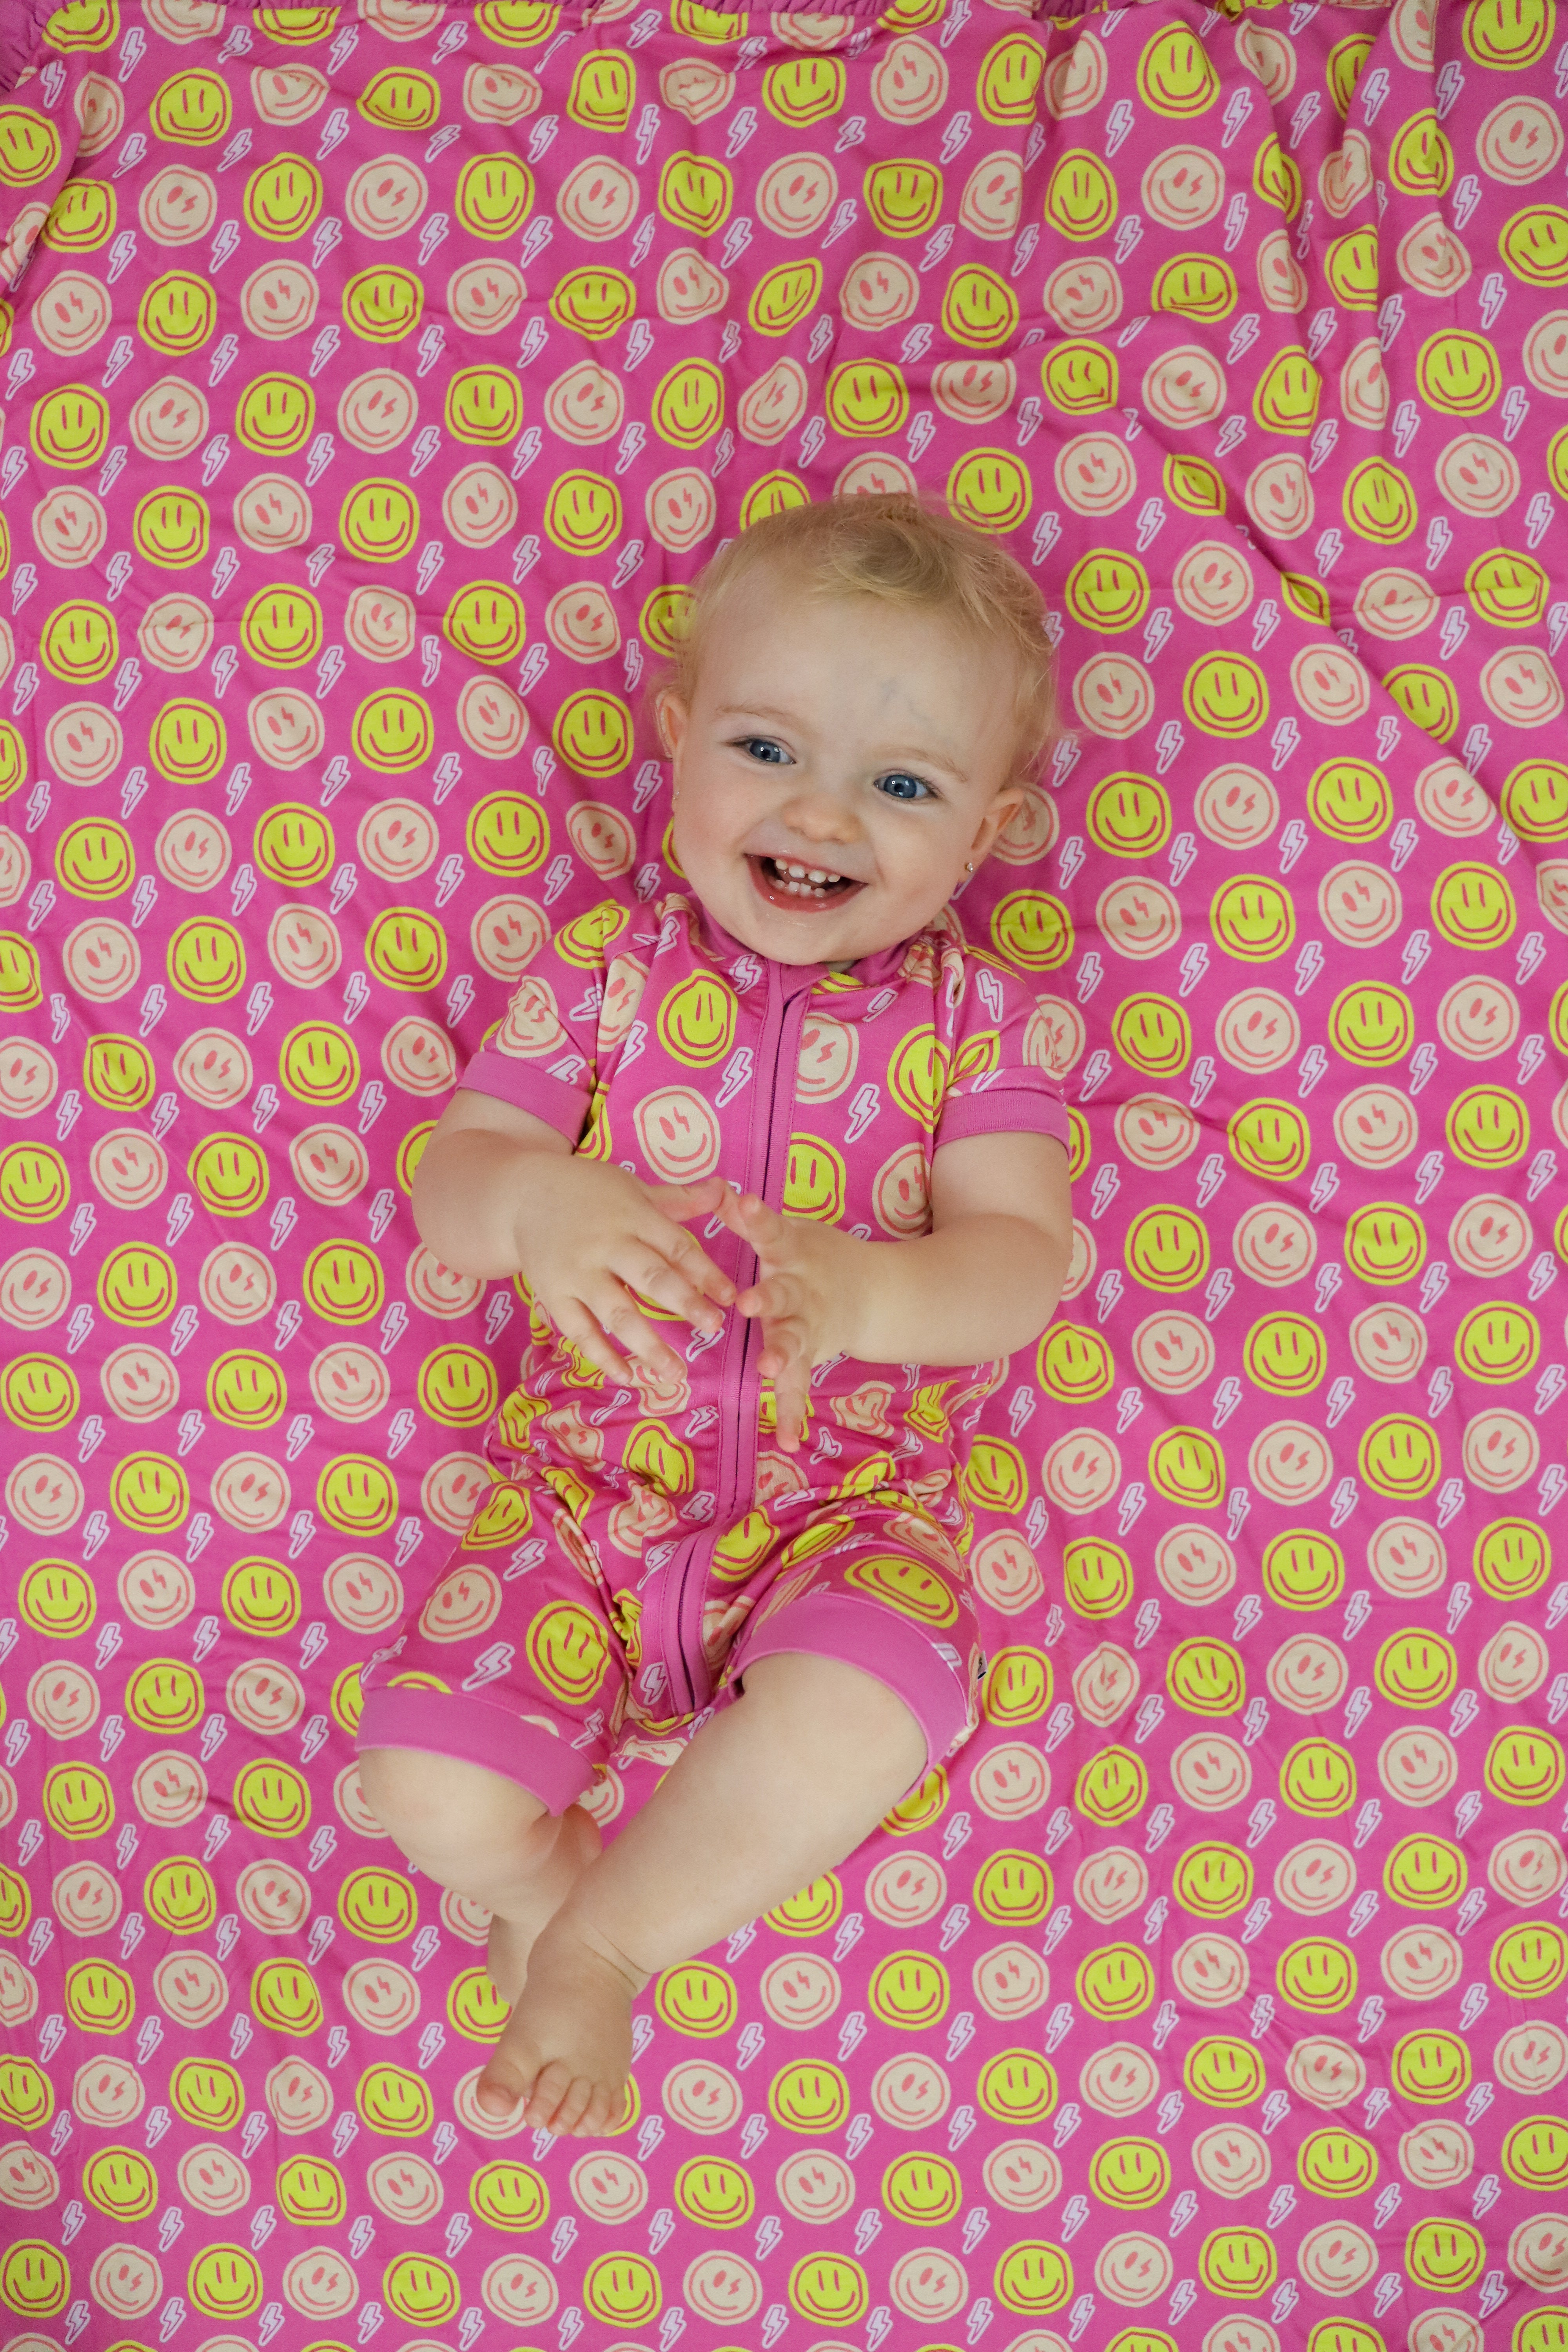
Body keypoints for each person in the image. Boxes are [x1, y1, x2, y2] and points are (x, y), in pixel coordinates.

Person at [355, 492, 1074, 2138]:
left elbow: (1021, 1264)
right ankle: (545, 1886)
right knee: (425, 1782)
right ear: (674, 747)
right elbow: (452, 1181)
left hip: (851, 1513)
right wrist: (535, 1202)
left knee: (873, 1704)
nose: (822, 812)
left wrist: (875, 1287)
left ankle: (602, 1948)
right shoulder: (602, 975)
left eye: (903, 787)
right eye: (766, 749)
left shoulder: (980, 1024)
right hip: (579, 1507)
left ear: (982, 838)